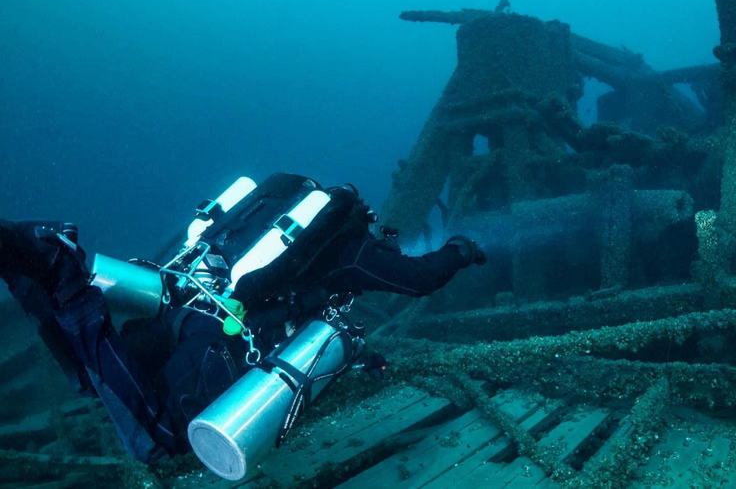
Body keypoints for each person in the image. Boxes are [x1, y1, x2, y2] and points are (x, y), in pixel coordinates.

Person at [0, 173, 486, 463]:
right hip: (218, 340)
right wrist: (461, 251)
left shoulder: (259, 221)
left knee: (95, 379)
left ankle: (27, 268)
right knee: (163, 438)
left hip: (170, 306)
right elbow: (420, 278)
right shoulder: (351, 248)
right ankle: (58, 276)